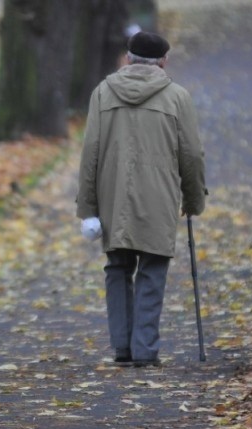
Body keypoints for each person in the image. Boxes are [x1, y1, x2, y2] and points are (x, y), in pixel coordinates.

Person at [76, 31, 207, 367]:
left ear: (128, 59)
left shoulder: (103, 93)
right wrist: (193, 200)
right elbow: (191, 155)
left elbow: (90, 152)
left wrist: (88, 208)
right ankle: (145, 351)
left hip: (112, 196)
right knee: (151, 269)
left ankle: (122, 346)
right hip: (158, 198)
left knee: (117, 267)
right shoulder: (177, 97)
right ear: (163, 62)